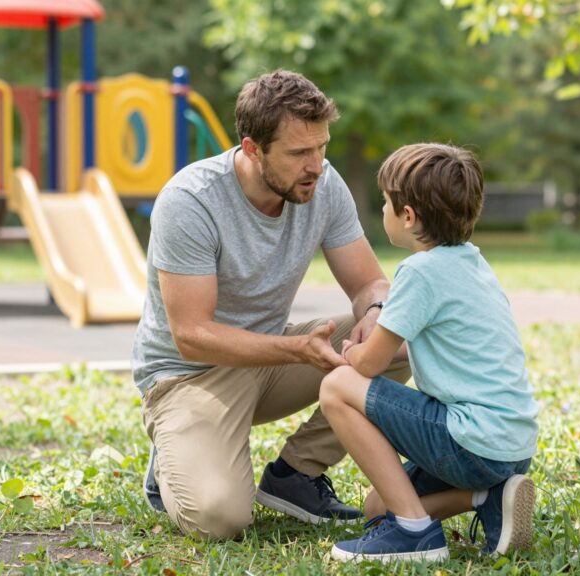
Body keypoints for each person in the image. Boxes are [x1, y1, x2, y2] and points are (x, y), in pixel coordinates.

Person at [131, 69, 410, 539]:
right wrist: (297, 349)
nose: (316, 165)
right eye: (299, 152)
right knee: (220, 519)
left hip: (270, 360)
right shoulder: (190, 201)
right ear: (252, 148)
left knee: (396, 342)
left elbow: (369, 284)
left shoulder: (323, 184)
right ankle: (175, 455)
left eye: (322, 147)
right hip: (187, 375)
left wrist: (376, 314)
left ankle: (295, 476)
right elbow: (192, 335)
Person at [319, 143, 539, 562]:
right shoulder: (472, 263)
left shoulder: (419, 271)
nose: (382, 209)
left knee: (336, 387)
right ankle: (486, 497)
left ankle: (416, 534)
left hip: (470, 441)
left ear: (407, 216)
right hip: (510, 448)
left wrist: (350, 351)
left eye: (385, 202)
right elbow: (422, 345)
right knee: (377, 507)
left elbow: (370, 364)